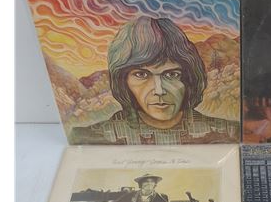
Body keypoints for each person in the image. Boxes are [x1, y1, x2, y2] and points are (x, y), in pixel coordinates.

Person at [69, 16, 237, 144]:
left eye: (171, 75)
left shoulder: (228, 133)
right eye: (141, 75)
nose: (159, 90)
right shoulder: (89, 138)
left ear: (189, 79)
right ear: (123, 82)